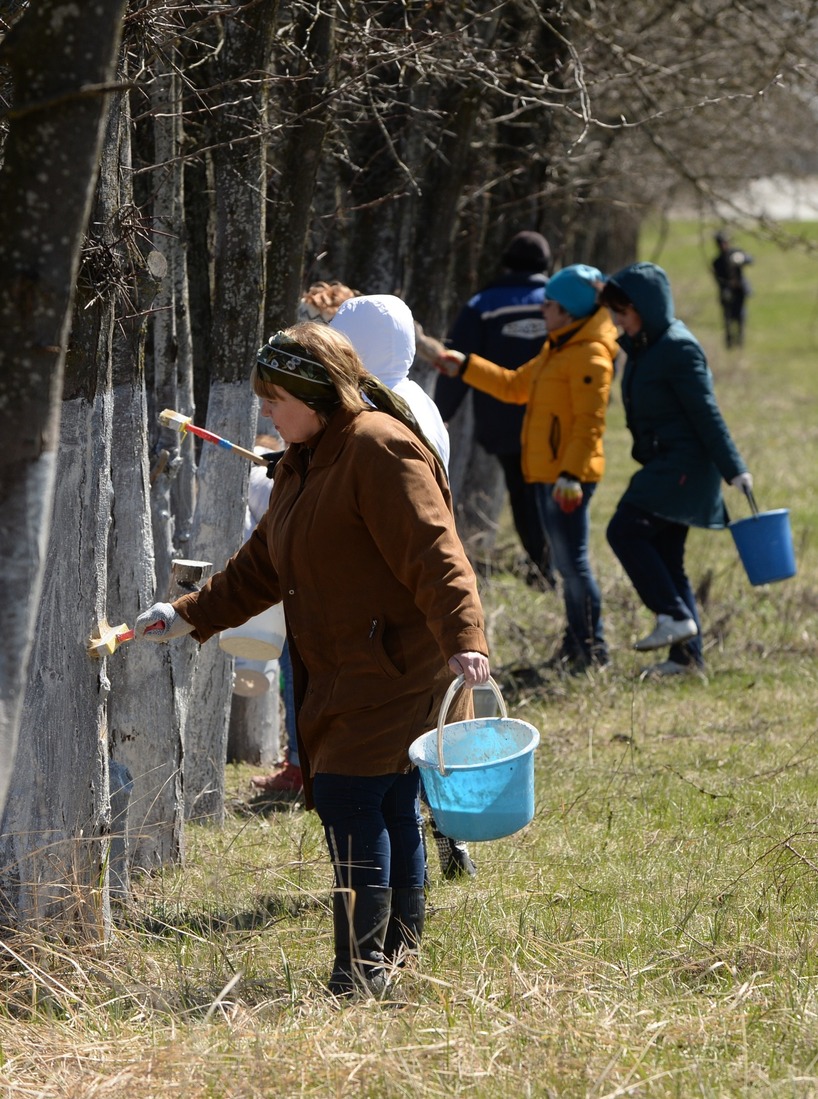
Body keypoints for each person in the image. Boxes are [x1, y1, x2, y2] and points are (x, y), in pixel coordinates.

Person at [135, 323, 490, 998]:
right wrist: (186, 615)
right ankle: (390, 960)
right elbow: (261, 566)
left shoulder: (378, 450)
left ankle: (359, 972)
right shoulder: (305, 458)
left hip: (395, 661)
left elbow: (437, 554)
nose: (267, 411)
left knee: (350, 797)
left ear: (315, 393)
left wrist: (466, 637)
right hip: (347, 663)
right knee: (385, 800)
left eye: (276, 397)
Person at [329, 293, 475, 880]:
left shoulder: (372, 409)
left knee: (399, 714)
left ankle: (410, 834)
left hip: (391, 575)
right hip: (425, 569)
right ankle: (447, 825)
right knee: (435, 709)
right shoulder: (417, 397)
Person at [435, 265, 618, 673]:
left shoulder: (589, 355)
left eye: (548, 305)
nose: (542, 312)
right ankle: (577, 645)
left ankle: (592, 649)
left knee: (574, 564)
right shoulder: (558, 347)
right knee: (568, 565)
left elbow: (591, 423)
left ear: (567, 311)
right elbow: (514, 386)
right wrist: (464, 366)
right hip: (553, 475)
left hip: (567, 479)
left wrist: (570, 475)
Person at [599, 262, 753, 678]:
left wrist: (734, 469)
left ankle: (672, 614)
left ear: (646, 309)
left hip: (682, 466)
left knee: (624, 530)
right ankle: (688, 660)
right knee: (668, 557)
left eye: (623, 312)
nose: (617, 321)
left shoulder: (678, 348)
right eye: (614, 312)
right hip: (665, 461)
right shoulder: (647, 344)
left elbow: (707, 413)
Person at [434, 230, 554, 586]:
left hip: (503, 420)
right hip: (555, 420)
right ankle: (558, 565)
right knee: (550, 491)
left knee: (522, 492)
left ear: (507, 263)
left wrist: (442, 412)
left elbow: (455, 362)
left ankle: (543, 567)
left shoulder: (482, 304)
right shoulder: (558, 301)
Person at [712, 230, 753, 349]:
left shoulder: (736, 253)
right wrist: (726, 289)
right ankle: (729, 342)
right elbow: (719, 279)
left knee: (740, 316)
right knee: (727, 319)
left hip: (739, 291)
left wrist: (743, 258)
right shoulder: (717, 261)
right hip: (728, 292)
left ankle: (740, 342)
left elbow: (751, 260)